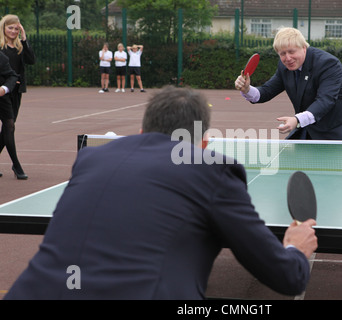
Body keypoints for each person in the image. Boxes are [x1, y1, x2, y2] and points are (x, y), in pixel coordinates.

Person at [4, 86, 317, 300]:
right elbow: (286, 277)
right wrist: (294, 250)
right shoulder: (213, 170)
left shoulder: (91, 157)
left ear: (141, 131)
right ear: (204, 142)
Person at [234, 27, 342, 140]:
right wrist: (247, 89)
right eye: (282, 53)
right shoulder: (284, 67)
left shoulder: (328, 64)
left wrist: (297, 120)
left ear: (304, 47)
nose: (287, 58)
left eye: (291, 51)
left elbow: (325, 100)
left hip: (339, 129)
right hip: (310, 127)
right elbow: (266, 91)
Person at [0, 15, 35, 180]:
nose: (13, 31)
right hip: (3, 92)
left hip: (17, 91)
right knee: (10, 126)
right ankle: (16, 165)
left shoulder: (20, 47)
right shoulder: (0, 47)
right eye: (10, 28)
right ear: (3, 28)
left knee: (7, 129)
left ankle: (15, 164)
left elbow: (31, 60)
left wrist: (25, 38)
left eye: (16, 28)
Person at [0, 51, 20, 179]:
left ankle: (16, 165)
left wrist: (4, 88)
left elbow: (13, 75)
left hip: (2, 99)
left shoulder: (2, 57)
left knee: (9, 126)